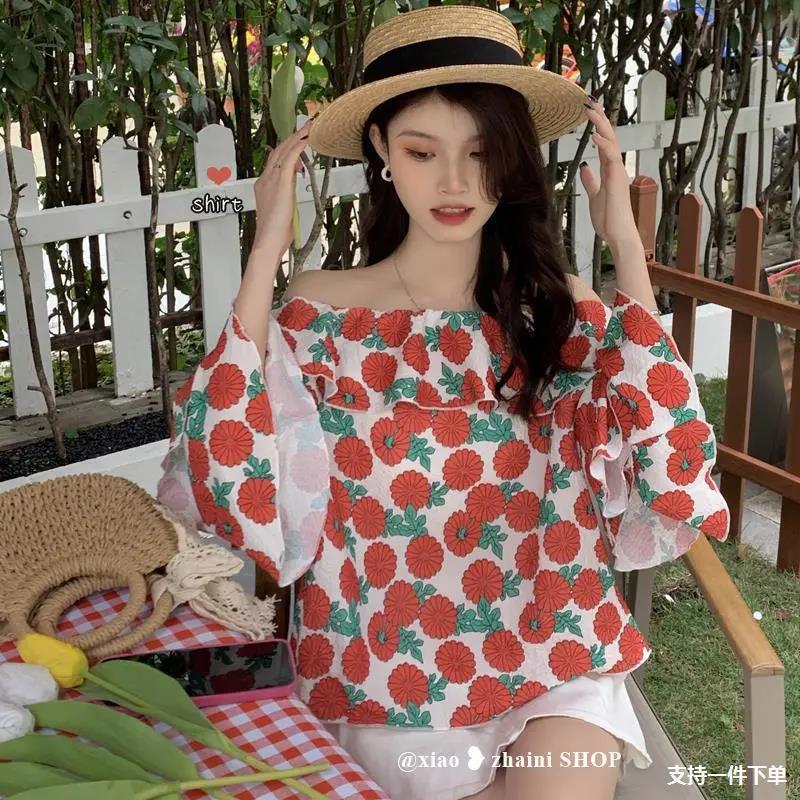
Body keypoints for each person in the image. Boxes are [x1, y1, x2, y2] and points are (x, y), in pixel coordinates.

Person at [157, 6, 731, 800]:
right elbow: (225, 457)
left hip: (555, 650)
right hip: (378, 665)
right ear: (382, 153)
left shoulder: (554, 312)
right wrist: (265, 252)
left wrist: (626, 247)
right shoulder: (322, 312)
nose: (454, 183)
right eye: (422, 151)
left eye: (481, 152)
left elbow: (669, 445)